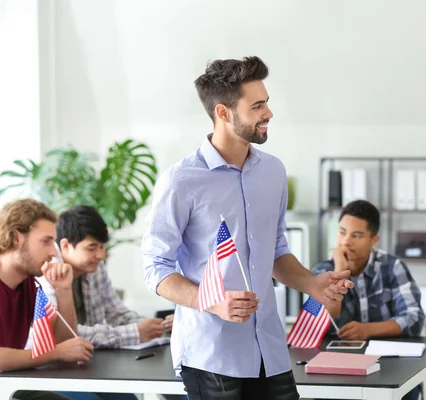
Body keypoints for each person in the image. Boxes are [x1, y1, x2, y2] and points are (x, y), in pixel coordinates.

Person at [141, 56, 353, 400]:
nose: (269, 112)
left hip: (269, 346)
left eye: (266, 102)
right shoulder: (180, 180)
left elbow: (276, 249)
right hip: (211, 352)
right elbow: (155, 268)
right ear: (224, 113)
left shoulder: (273, 171)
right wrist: (210, 301)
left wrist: (311, 283)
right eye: (257, 106)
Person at [34, 205, 173, 400]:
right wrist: (134, 333)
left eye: (102, 247)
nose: (100, 255)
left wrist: (156, 326)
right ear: (65, 246)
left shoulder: (95, 269)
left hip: (90, 366)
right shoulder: (47, 274)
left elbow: (115, 312)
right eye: (92, 248)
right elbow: (67, 338)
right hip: (53, 371)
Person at [312, 199, 425, 400]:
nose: (346, 241)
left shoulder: (392, 267)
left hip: (389, 365)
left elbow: (414, 318)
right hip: (339, 368)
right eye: (342, 232)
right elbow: (320, 321)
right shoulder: (323, 271)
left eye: (356, 235)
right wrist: (339, 270)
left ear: (374, 239)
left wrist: (367, 330)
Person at [0, 199, 94, 400]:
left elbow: (64, 342)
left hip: (7, 384)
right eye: (46, 241)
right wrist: (55, 353)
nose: (53, 252)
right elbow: (59, 351)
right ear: (16, 237)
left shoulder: (29, 285)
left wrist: (64, 290)